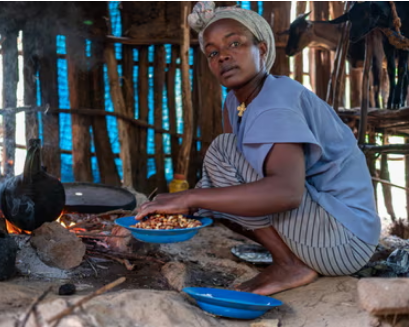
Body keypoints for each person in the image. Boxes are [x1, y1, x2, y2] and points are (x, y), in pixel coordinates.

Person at [136, 1, 381, 296]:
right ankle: (291, 259)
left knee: (220, 154)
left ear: (262, 50)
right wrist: (177, 208)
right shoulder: (235, 102)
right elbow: (230, 182)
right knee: (215, 182)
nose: (223, 56)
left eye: (235, 44)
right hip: (326, 232)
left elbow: (286, 193)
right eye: (212, 53)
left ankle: (290, 264)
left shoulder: (276, 100)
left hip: (343, 241)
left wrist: (188, 196)